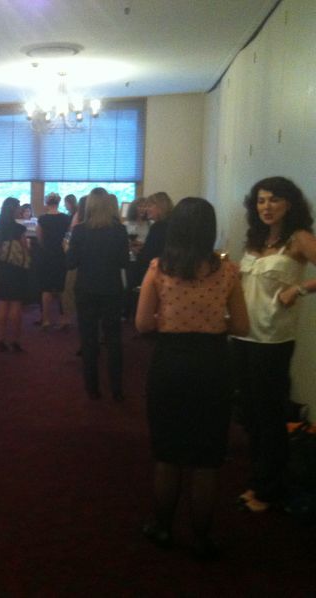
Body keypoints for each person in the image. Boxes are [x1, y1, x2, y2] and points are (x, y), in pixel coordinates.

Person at [136, 197, 249, 559]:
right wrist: (211, 321)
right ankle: (202, 537)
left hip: (170, 363)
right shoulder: (228, 271)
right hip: (213, 364)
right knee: (207, 458)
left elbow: (142, 324)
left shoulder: (158, 268)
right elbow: (242, 325)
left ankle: (162, 528)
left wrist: (173, 320)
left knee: (167, 454)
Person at [232, 176, 316, 513]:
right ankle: (259, 477)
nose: (266, 207)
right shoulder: (256, 238)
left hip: (272, 339)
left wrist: (299, 289)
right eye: (261, 200)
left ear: (289, 204)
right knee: (250, 413)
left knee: (269, 415)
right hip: (242, 335)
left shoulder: (299, 238)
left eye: (274, 200)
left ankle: (269, 489)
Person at [66, 188, 129, 401]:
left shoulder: (80, 231)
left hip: (86, 289)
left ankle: (92, 388)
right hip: (111, 289)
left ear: (89, 206)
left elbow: (70, 263)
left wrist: (68, 249)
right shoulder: (119, 230)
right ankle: (117, 389)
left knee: (89, 339)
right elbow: (124, 262)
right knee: (114, 340)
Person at [0, 197, 30, 352]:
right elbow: (25, 249)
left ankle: (0, 339)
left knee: (2, 303)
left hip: (2, 269)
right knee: (15, 304)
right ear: (14, 210)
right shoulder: (19, 229)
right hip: (16, 270)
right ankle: (15, 340)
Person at [36, 192, 71, 330]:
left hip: (47, 255)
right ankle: (64, 319)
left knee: (46, 288)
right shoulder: (66, 218)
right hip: (61, 255)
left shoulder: (42, 219)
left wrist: (46, 247)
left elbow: (39, 238)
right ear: (59, 202)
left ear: (46, 203)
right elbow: (68, 237)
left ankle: (46, 320)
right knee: (62, 288)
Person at [136, 191, 173, 283]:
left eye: (150, 206)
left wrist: (138, 252)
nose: (146, 209)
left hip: (157, 274)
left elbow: (149, 256)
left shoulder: (158, 226)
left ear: (161, 207)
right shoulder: (172, 223)